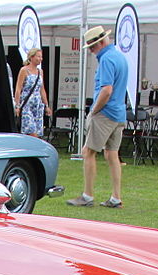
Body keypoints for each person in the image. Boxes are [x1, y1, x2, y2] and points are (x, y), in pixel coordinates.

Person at [66, 25, 128, 209]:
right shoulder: (119, 57)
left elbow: (106, 90)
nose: (91, 51)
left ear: (100, 43)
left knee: (88, 152)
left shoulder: (107, 59)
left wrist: (94, 110)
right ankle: (116, 197)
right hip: (119, 113)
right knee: (112, 154)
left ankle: (87, 196)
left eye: (92, 47)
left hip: (105, 113)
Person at [13, 48, 51, 138]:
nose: (40, 59)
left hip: (37, 105)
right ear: (31, 57)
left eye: (41, 57)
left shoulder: (40, 72)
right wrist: (17, 106)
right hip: (27, 105)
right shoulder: (24, 70)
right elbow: (18, 88)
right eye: (38, 56)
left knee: (37, 132)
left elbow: (42, 89)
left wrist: (46, 105)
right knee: (31, 131)